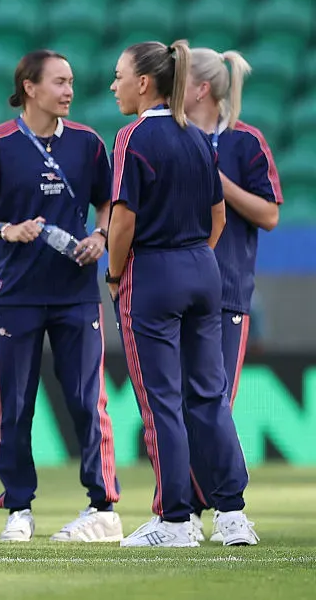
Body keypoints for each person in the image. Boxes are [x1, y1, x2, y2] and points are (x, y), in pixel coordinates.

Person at [0, 50, 122, 543]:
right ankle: (18, 508)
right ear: (30, 86)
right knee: (16, 404)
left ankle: (103, 506)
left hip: (75, 293)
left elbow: (107, 201)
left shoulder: (88, 143)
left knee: (90, 401)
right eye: (59, 82)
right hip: (15, 292)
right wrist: (5, 229)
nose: (69, 90)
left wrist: (102, 237)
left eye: (70, 82)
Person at [107, 39, 258, 547]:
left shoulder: (132, 137)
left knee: (162, 402)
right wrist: (195, 254)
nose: (114, 85)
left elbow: (122, 220)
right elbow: (218, 216)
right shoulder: (197, 137)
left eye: (119, 75)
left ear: (144, 82)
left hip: (154, 272)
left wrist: (113, 274)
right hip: (203, 268)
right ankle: (233, 515)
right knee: (209, 395)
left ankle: (176, 520)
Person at [182, 48, 281, 542]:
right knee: (175, 405)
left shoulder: (246, 142)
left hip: (226, 291)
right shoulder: (169, 136)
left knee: (213, 402)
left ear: (201, 88)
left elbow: (268, 214)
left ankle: (225, 510)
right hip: (173, 288)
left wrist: (220, 184)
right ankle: (179, 514)